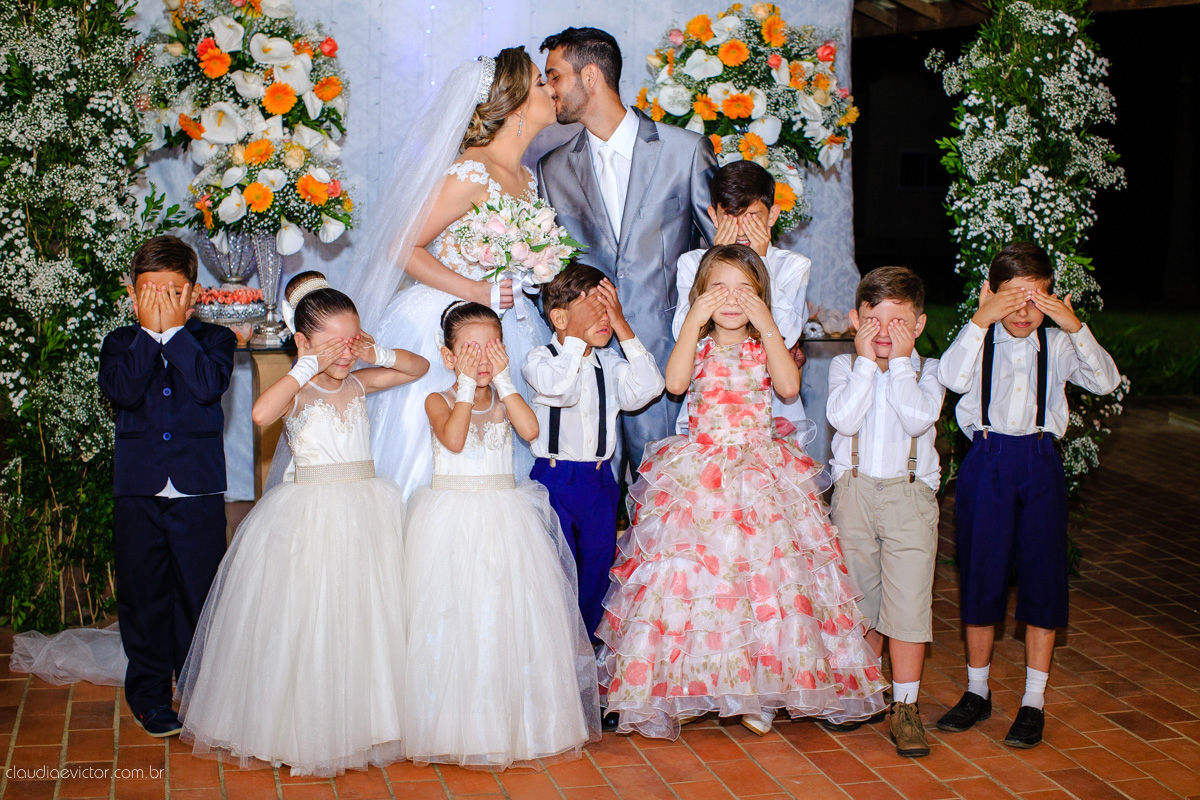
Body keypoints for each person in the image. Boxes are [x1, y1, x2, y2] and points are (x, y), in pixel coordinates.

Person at [597, 244, 887, 740]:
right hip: (702, 471)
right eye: (718, 289)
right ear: (700, 296)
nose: (731, 299)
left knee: (764, 585)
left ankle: (760, 690)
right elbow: (674, 382)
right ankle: (689, 686)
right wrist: (692, 322)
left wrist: (768, 323)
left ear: (761, 297)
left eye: (744, 291)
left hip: (759, 472)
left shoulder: (762, 344)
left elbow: (790, 388)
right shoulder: (701, 343)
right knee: (694, 585)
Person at [176, 273, 428, 776]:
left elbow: (417, 368)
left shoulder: (358, 379)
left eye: (350, 341)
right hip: (310, 513)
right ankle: (297, 725)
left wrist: (373, 351)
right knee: (311, 614)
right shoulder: (300, 389)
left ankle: (363, 719)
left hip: (365, 510)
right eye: (332, 344)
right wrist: (303, 367)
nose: (343, 353)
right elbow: (259, 413)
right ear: (304, 342)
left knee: (362, 615)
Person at [341, 47, 558, 497]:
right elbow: (401, 247)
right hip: (445, 324)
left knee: (496, 449)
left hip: (507, 323)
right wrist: (474, 289)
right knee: (437, 457)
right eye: (541, 82)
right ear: (516, 103)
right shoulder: (471, 170)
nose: (552, 88)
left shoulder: (525, 175)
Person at [936, 243, 1121, 749]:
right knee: (981, 574)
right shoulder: (979, 340)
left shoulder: (1057, 345)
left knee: (1043, 579)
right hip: (987, 461)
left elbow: (1106, 382)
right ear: (991, 296)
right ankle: (977, 691)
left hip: (1039, 462)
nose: (1023, 313)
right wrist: (980, 318)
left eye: (1035, 301)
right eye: (1011, 300)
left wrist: (1074, 324)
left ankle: (1033, 700)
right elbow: (948, 379)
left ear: (1050, 299)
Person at [403, 301, 601, 768]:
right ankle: (454, 722)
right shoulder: (439, 398)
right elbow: (453, 439)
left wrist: (507, 383)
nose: (483, 358)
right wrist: (468, 386)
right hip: (452, 517)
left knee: (506, 614)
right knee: (455, 615)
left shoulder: (503, 396)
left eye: (492, 347)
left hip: (504, 514)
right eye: (469, 350)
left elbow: (532, 431)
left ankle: (519, 721)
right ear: (448, 357)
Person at [536, 27, 717, 481]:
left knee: (665, 504)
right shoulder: (552, 168)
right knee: (586, 515)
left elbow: (720, 255)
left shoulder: (685, 151)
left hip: (664, 357)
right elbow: (553, 272)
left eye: (554, 76)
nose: (548, 89)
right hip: (581, 372)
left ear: (590, 76)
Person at [97, 235, 236, 737]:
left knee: (198, 591)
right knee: (144, 592)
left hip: (196, 488)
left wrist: (174, 333)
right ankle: (151, 695)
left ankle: (200, 688)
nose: (158, 301)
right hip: (138, 488)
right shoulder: (118, 343)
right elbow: (122, 390)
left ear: (194, 294)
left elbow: (206, 386)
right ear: (132, 294)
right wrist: (149, 336)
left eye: (171, 291)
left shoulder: (216, 340)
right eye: (148, 291)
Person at [825, 267, 946, 757]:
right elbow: (842, 418)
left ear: (917, 326)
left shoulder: (929, 370)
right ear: (856, 320)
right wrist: (867, 367)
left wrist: (896, 364)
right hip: (853, 493)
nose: (883, 332)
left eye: (897, 322)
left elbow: (917, 417)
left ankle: (906, 707)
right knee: (859, 600)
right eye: (873, 319)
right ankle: (861, 691)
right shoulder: (844, 367)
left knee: (908, 605)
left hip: (910, 496)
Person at [523, 265, 665, 647]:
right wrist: (573, 337)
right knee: (558, 571)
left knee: (597, 570)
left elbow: (649, 388)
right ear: (559, 316)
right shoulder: (540, 359)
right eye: (594, 311)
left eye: (609, 310)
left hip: (601, 482)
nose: (603, 318)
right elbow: (561, 390)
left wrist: (623, 328)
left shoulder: (611, 363)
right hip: (554, 480)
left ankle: (590, 658)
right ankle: (557, 654)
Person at [672, 160, 811, 436]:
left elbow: (787, 334)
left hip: (773, 416)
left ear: (772, 215)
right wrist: (717, 260)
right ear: (714, 216)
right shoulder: (692, 263)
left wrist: (760, 263)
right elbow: (683, 334)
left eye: (753, 217)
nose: (742, 229)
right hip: (709, 414)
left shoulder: (793, 264)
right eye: (730, 217)